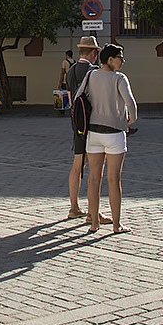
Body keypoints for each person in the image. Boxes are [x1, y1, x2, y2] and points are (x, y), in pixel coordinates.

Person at [82, 43, 138, 234]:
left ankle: (94, 223)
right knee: (114, 179)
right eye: (120, 57)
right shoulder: (119, 78)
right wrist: (131, 118)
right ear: (111, 59)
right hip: (115, 133)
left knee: (93, 179)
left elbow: (78, 100)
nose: (123, 60)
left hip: (94, 133)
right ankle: (116, 225)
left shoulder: (91, 75)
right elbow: (130, 102)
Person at [65, 36, 105, 222]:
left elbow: (71, 95)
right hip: (93, 124)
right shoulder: (94, 72)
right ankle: (92, 212)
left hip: (77, 122)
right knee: (94, 168)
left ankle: (74, 207)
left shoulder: (70, 70)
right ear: (93, 53)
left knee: (77, 165)